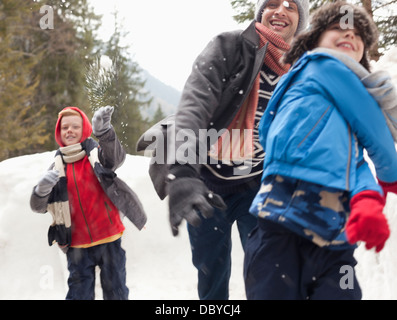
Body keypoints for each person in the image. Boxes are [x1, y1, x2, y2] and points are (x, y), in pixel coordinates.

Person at [137, 0, 309, 300]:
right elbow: (195, 105)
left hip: (258, 184)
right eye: (271, 3)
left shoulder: (303, 69)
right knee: (211, 273)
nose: (280, 10)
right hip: (207, 183)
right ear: (261, 13)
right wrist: (183, 171)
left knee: (267, 269)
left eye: (291, 6)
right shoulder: (230, 47)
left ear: (300, 20)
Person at [244, 1, 397, 300]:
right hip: (286, 224)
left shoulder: (311, 89)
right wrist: (390, 175)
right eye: (339, 28)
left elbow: (352, 160)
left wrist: (367, 199)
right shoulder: (325, 66)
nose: (350, 36)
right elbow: (374, 130)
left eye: (358, 35)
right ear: (314, 40)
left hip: (322, 233)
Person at [30, 106, 147, 300]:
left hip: (109, 238)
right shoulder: (56, 168)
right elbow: (38, 207)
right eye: (64, 127)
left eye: (75, 126)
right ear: (58, 133)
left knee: (116, 290)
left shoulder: (96, 157)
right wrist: (41, 191)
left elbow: (116, 158)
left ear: (85, 129)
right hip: (77, 245)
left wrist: (105, 133)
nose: (69, 130)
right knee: (79, 294)